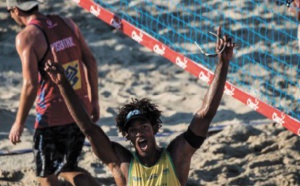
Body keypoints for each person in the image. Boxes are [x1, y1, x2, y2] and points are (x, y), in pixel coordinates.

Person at [45, 26, 236, 185]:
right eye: (133, 130)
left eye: (143, 127)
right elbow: (89, 129)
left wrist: (223, 63)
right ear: (127, 135)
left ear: (153, 128)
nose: (139, 133)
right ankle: (64, 170)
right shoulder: (123, 163)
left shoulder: (176, 156)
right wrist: (62, 84)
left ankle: (65, 170)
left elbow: (205, 115)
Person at [6, 0, 100, 185]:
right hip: (80, 111)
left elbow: (31, 85)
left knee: (46, 178)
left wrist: (19, 123)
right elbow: (90, 60)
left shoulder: (27, 37)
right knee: (69, 168)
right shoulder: (67, 23)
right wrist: (94, 100)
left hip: (52, 117)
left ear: (16, 10)